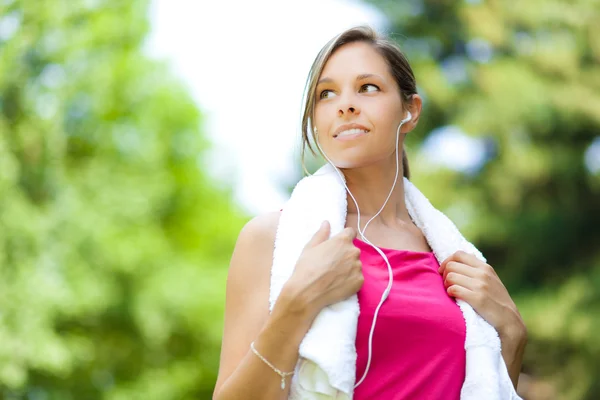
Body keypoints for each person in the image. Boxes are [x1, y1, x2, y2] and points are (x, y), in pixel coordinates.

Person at [212, 25, 527, 400]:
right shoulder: (270, 240)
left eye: (368, 88)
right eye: (326, 94)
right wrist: (296, 305)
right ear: (316, 119)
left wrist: (512, 334)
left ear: (410, 112)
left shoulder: (455, 260)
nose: (345, 105)